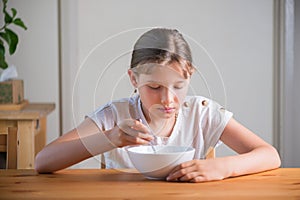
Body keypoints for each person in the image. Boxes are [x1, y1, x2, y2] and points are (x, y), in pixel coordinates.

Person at [35, 28, 281, 182]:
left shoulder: (202, 113)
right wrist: (110, 137)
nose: (167, 99)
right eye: (154, 87)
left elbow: (270, 155)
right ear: (134, 78)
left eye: (178, 86)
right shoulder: (115, 116)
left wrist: (221, 167)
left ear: (190, 76)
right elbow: (43, 162)